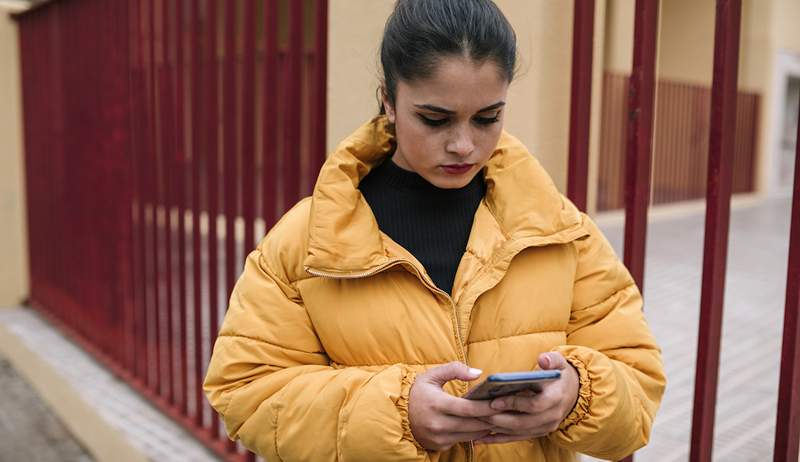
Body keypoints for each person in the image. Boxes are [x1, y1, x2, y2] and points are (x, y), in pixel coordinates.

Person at [204, 0, 666, 460]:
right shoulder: (305, 243)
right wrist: (395, 413)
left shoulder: (559, 230)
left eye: (488, 118)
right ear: (388, 99)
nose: (463, 144)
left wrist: (577, 396)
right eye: (435, 119)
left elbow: (638, 390)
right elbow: (247, 393)